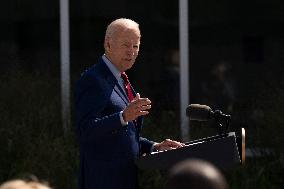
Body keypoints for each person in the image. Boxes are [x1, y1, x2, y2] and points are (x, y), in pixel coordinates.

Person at [75, 18, 185, 189]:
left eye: (135, 46)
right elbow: (85, 131)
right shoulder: (93, 80)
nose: (131, 52)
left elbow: (122, 136)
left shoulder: (122, 80)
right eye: (126, 45)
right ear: (108, 44)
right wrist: (123, 116)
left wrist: (154, 147)